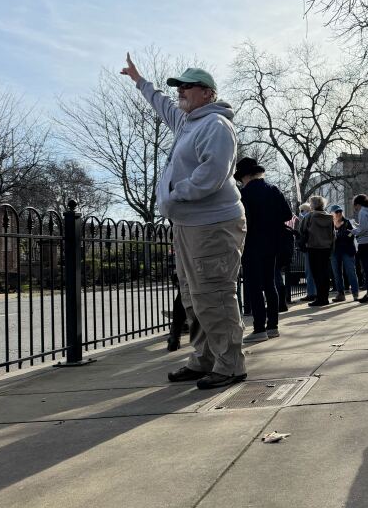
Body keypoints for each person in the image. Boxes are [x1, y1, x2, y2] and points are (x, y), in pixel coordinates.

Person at [121, 54, 247, 389]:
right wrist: (139, 80)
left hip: (213, 225)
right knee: (192, 297)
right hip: (189, 226)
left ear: (207, 93)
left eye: (187, 87)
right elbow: (160, 104)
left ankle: (230, 364)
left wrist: (176, 193)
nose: (180, 91)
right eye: (179, 87)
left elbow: (212, 175)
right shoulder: (187, 122)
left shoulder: (216, 126)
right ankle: (204, 359)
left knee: (214, 294)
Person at [234, 157, 292, 342]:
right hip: (272, 244)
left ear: (246, 176)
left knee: (254, 286)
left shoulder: (243, 194)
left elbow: (241, 220)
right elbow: (287, 214)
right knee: (270, 284)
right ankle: (273, 326)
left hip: (251, 244)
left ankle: (259, 328)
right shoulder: (273, 190)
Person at [330, 204, 360, 302]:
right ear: (332, 214)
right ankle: (340, 294)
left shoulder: (347, 223)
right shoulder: (330, 224)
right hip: (335, 252)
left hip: (347, 251)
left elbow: (350, 235)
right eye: (336, 212)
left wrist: (338, 235)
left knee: (350, 271)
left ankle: (355, 293)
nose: (339, 213)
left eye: (340, 211)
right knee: (336, 273)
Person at [297, 203, 317, 301]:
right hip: (317, 247)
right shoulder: (315, 218)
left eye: (302, 211)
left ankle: (311, 293)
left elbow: (304, 232)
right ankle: (316, 292)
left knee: (309, 271)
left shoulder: (307, 219)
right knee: (315, 271)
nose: (301, 213)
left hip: (309, 247)